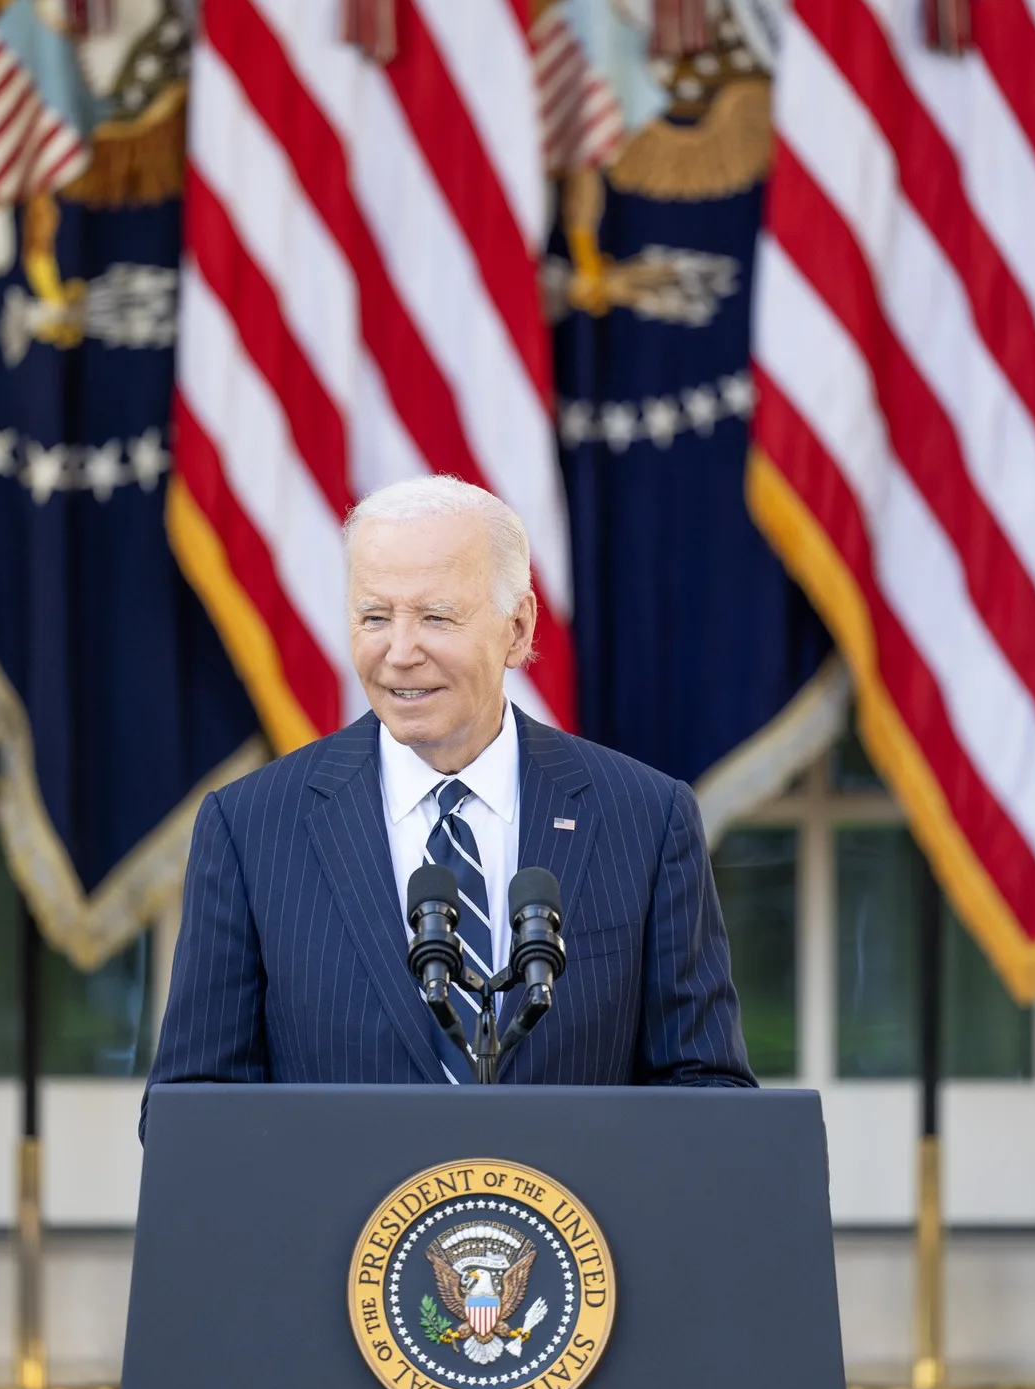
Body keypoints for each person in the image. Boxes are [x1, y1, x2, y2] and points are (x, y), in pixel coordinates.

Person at [144, 477, 755, 1124]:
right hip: (344, 1227)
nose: (399, 653)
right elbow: (192, 1114)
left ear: (516, 630)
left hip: (570, 1225)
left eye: (436, 617)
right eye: (374, 617)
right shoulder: (251, 828)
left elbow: (705, 1091)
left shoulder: (646, 819)